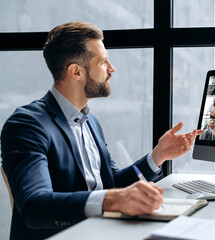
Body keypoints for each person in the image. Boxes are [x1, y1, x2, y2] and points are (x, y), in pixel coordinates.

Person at [0, 22, 203, 240]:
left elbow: (113, 183)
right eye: (103, 61)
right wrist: (110, 200)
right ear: (76, 71)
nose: (112, 68)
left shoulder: (90, 121)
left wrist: (158, 155)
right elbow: (34, 206)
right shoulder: (27, 124)